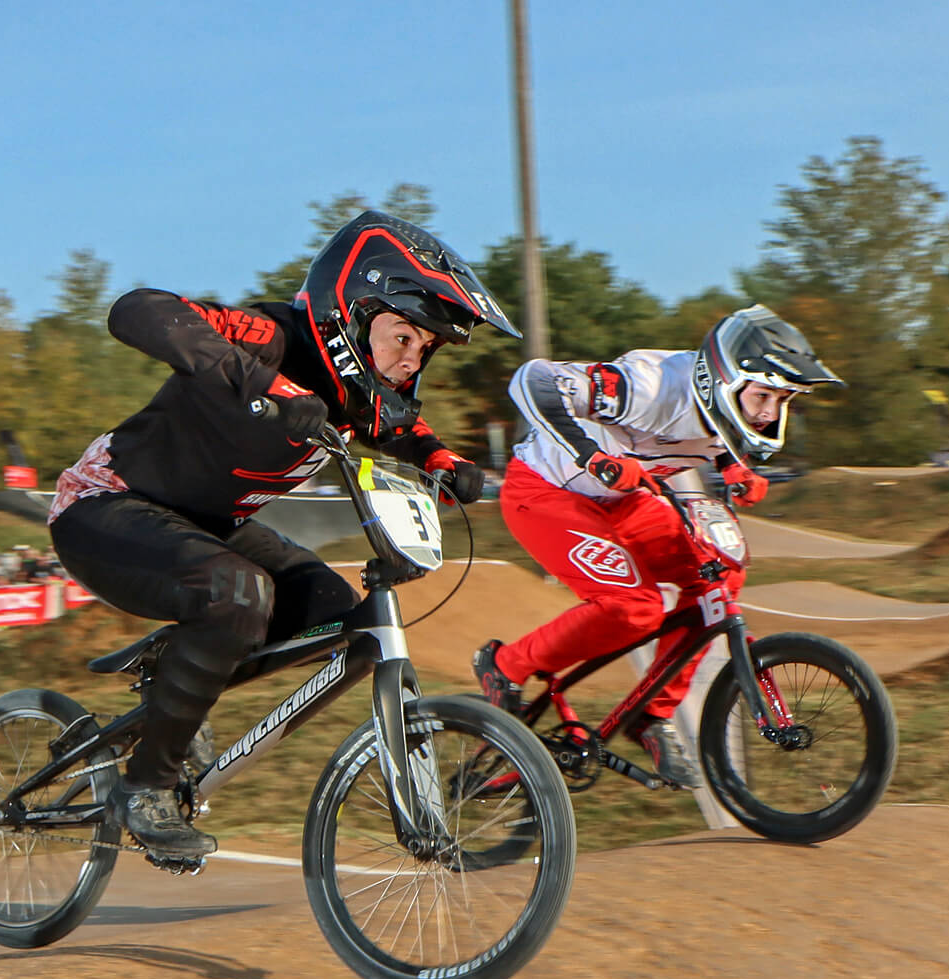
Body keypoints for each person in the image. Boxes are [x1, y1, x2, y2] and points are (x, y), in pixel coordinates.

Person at [48, 210, 518, 859]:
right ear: (354, 312)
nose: (410, 362)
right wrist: (261, 380)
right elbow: (137, 310)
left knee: (335, 618)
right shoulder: (272, 336)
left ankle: (173, 691)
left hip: (209, 527)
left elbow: (402, 432)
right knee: (238, 593)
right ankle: (147, 788)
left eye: (424, 350)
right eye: (402, 337)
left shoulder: (366, 395)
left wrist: (444, 462)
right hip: (106, 505)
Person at [472, 305, 843, 785]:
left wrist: (734, 469)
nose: (770, 413)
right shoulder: (646, 386)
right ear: (725, 381)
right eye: (764, 396)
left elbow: (704, 434)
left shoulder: (725, 409)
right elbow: (532, 381)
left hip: (623, 502)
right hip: (546, 493)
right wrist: (595, 457)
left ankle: (651, 712)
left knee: (718, 575)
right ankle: (505, 665)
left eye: (783, 399)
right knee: (634, 606)